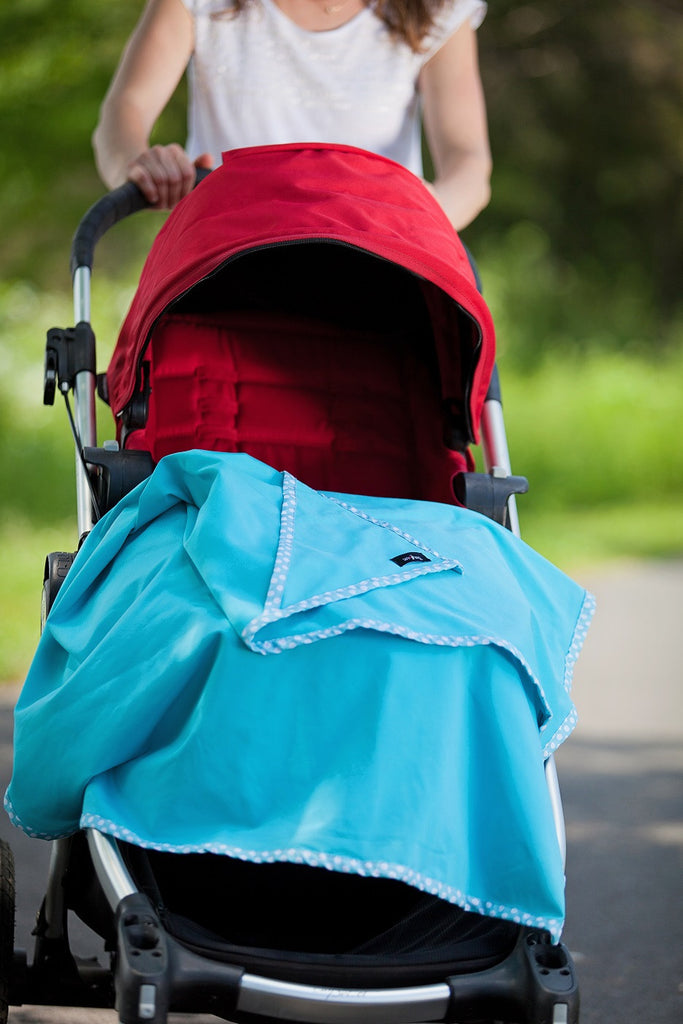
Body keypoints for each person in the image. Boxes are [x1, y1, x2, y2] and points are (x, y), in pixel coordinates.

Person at [93, 0, 491, 230]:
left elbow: (468, 162)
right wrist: (138, 168)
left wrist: (423, 214)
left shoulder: (436, 9)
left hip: (379, 265)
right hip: (224, 261)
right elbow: (126, 108)